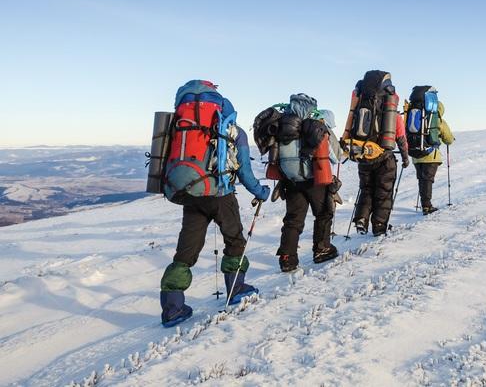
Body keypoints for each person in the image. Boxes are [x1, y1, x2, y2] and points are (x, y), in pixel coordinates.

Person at [159, 80, 270, 328]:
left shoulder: (179, 127)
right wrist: (261, 192)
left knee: (186, 251)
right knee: (235, 240)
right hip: (220, 194)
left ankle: (172, 309)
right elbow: (244, 172)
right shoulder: (231, 130)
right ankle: (236, 289)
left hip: (191, 193)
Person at [256, 94, 343, 272]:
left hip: (291, 180)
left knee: (293, 220)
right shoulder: (316, 122)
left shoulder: (282, 124)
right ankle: (322, 249)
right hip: (314, 180)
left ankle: (287, 258)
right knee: (324, 213)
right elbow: (335, 156)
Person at [341, 70, 410, 236]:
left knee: (366, 189)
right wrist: (405, 157)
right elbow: (400, 136)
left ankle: (361, 219)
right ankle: (379, 226)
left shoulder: (360, 104)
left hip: (363, 154)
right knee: (383, 192)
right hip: (383, 157)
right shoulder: (389, 110)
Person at [411, 101, 455, 215]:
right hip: (431, 156)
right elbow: (448, 139)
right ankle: (426, 206)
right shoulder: (439, 121)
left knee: (422, 180)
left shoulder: (420, 118)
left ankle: (424, 204)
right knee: (427, 180)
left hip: (416, 155)